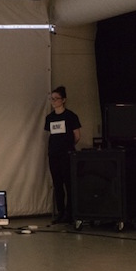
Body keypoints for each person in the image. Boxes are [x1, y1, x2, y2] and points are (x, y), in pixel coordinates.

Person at [44, 86, 81, 223]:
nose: (54, 101)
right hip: (54, 154)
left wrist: (68, 146)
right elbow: (51, 135)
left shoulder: (71, 116)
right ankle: (61, 212)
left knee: (69, 183)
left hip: (67, 154)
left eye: (56, 99)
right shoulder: (50, 118)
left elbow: (77, 136)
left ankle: (71, 212)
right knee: (57, 184)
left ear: (63, 100)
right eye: (52, 99)